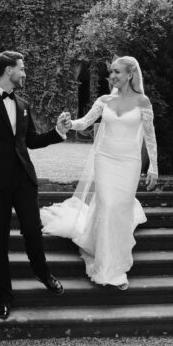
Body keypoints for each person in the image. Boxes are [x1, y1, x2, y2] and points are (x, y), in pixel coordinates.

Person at [0, 50, 70, 320]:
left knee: (33, 229)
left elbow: (30, 140)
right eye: (21, 69)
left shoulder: (23, 104)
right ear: (8, 70)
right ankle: (2, 296)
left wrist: (57, 132)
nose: (24, 73)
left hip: (23, 179)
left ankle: (42, 272)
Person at [40, 56, 158, 289]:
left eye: (117, 72)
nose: (112, 76)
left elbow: (150, 136)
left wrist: (153, 165)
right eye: (111, 72)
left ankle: (114, 257)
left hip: (130, 163)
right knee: (108, 205)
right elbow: (84, 123)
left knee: (119, 209)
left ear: (130, 74)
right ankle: (107, 268)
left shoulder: (143, 102)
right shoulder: (104, 100)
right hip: (105, 159)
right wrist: (68, 124)